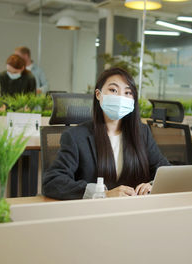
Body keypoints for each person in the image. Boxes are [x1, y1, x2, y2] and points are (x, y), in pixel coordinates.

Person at [42, 67, 170, 200]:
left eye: (127, 92)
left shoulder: (142, 132)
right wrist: (102, 194)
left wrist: (152, 185)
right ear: (98, 94)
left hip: (135, 210)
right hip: (95, 212)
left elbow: (166, 171)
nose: (121, 97)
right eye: (113, 90)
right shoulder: (75, 137)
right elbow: (53, 182)